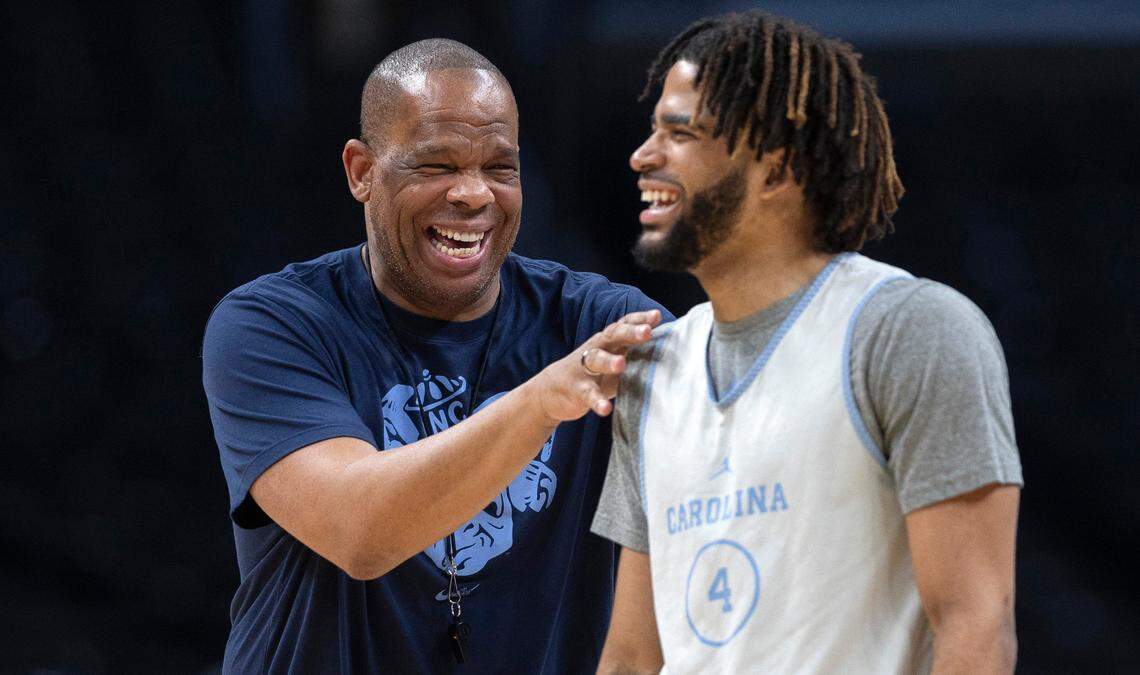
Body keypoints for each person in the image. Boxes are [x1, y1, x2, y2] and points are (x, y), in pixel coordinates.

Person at [201, 39, 669, 673]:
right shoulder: (272, 324)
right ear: (361, 171)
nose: (474, 194)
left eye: (501, 168)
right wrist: (541, 400)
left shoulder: (593, 321)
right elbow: (361, 532)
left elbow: (745, 422)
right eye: (435, 166)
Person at [591, 11, 1023, 674]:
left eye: (681, 132)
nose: (643, 155)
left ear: (775, 170)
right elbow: (630, 657)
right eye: (655, 130)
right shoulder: (650, 368)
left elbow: (976, 626)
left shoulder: (909, 331)